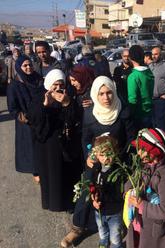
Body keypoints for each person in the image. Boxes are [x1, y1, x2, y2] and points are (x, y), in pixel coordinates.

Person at [61, 75, 135, 248]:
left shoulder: (123, 111)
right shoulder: (90, 113)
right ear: (95, 94)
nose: (106, 97)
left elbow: (132, 138)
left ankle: (120, 226)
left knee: (120, 195)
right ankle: (77, 228)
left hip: (118, 163)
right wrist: (90, 154)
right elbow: (86, 139)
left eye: (109, 92)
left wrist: (119, 157)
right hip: (96, 162)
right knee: (87, 192)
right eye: (101, 93)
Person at [27, 69, 83, 212]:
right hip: (48, 147)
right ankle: (54, 203)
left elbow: (75, 119)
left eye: (61, 85)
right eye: (55, 85)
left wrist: (66, 104)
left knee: (67, 176)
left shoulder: (68, 97)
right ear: (49, 85)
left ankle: (70, 205)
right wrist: (45, 105)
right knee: (52, 177)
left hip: (66, 145)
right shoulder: (39, 97)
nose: (58, 89)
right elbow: (33, 121)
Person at [125, 128, 165, 248]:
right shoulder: (143, 166)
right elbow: (129, 184)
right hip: (137, 222)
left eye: (143, 150)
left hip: (151, 229)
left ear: (156, 151)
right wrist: (128, 191)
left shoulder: (163, 176)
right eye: (138, 149)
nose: (138, 154)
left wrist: (142, 205)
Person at [6, 55, 43, 182]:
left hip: (42, 120)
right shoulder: (14, 86)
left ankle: (44, 167)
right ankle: (35, 171)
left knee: (43, 146)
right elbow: (13, 109)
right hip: (27, 124)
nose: (28, 68)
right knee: (31, 148)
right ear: (19, 68)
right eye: (25, 65)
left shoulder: (38, 79)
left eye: (30, 65)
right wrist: (26, 118)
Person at [89, 135, 124, 248]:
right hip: (98, 210)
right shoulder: (96, 168)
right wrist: (93, 199)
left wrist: (102, 199)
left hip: (113, 211)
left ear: (115, 152)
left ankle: (115, 245)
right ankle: (104, 241)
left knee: (115, 234)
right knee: (101, 228)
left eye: (109, 154)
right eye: (101, 155)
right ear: (96, 155)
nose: (105, 158)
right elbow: (91, 185)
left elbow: (119, 194)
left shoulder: (117, 172)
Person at [127, 45, 154, 129]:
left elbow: (132, 100)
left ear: (130, 58)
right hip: (150, 111)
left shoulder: (133, 76)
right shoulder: (149, 72)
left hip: (139, 114)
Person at [149, 47, 165, 131]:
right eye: (152, 54)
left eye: (156, 54)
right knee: (153, 123)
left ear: (160, 55)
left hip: (161, 100)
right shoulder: (150, 66)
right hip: (150, 99)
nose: (153, 56)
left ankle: (163, 142)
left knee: (161, 124)